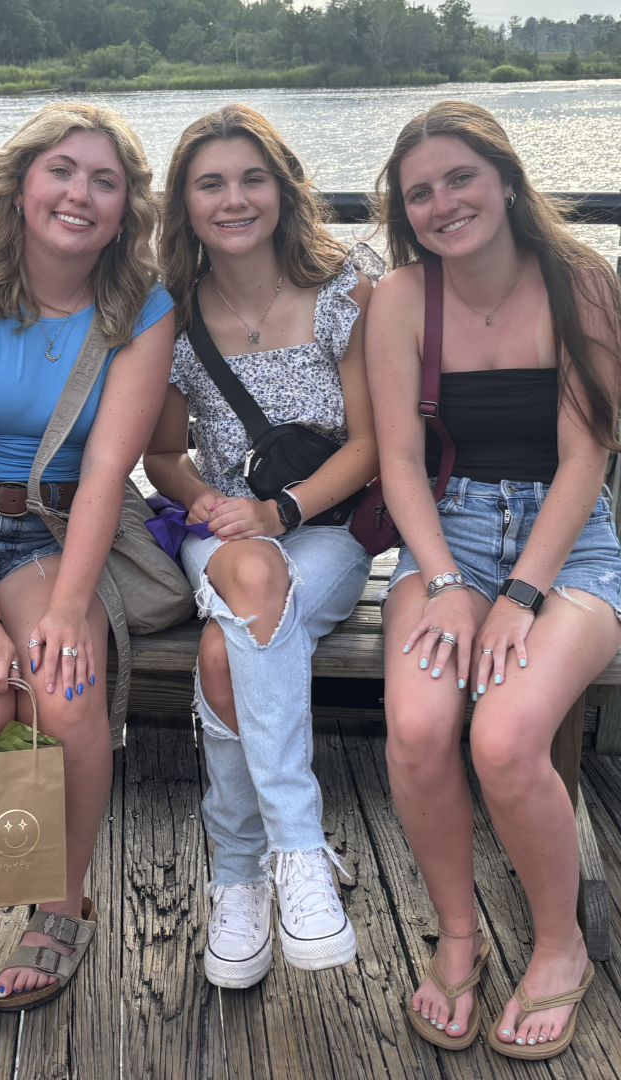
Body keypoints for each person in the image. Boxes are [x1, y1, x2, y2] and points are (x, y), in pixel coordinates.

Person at [0, 101, 174, 1035]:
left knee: (65, 695)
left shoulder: (141, 305)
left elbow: (106, 469)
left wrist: (65, 607)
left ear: (125, 207)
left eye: (105, 181)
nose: (80, 195)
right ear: (21, 185)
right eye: (63, 171)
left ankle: (63, 906)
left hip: (53, 525)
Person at [366, 99, 621, 1059]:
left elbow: (588, 452)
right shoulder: (401, 299)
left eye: (459, 178)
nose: (443, 204)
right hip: (448, 537)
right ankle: (460, 934)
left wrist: (521, 595)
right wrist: (445, 582)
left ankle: (560, 949)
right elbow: (397, 462)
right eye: (420, 193)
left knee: (509, 739)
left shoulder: (580, 283)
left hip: (570, 543)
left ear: (506, 180)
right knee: (422, 724)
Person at [145, 103, 379, 990]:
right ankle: (298, 854)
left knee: (221, 649)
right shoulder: (172, 315)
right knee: (242, 581)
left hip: (325, 533)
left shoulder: (345, 289)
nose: (234, 199)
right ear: (187, 204)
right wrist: (212, 501)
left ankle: (243, 871)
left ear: (283, 189)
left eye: (252, 179)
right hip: (225, 534)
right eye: (211, 184)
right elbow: (161, 455)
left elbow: (369, 443)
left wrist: (279, 510)